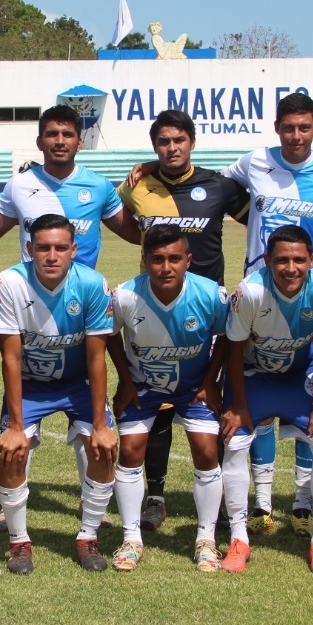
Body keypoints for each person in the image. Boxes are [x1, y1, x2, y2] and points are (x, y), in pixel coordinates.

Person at [221, 93, 313, 537]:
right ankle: (261, 503)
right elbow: (216, 187)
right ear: (277, 127)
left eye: (304, 128)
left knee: (308, 395)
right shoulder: (254, 161)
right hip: (259, 295)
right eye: (288, 128)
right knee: (256, 398)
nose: (295, 136)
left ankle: (301, 500)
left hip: (307, 299)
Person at [115, 109, 248, 532]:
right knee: (157, 406)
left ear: (192, 142)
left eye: (179, 140)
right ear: (154, 147)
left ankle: (221, 501)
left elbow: (260, 213)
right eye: (163, 142)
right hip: (154, 303)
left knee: (209, 401)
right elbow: (119, 220)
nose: (171, 148)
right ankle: (154, 495)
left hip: (206, 309)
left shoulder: (220, 186)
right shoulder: (137, 185)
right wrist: (147, 171)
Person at [0, 214, 117, 574]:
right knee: (13, 452)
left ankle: (88, 536)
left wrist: (100, 423)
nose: (51, 255)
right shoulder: (10, 282)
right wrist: (16, 425)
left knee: (104, 446)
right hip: (30, 385)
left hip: (78, 383)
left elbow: (96, 357)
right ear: (29, 248)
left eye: (61, 248)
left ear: (74, 250)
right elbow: (11, 357)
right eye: (43, 247)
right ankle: (19, 543)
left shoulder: (93, 284)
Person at [222, 225, 313, 574]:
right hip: (254, 378)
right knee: (234, 443)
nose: (290, 268)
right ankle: (238, 538)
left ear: (312, 260)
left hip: (298, 380)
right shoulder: (249, 291)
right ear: (267, 261)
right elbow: (232, 349)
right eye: (282, 260)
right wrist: (239, 405)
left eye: (298, 260)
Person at [108, 225, 228, 572]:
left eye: (175, 258)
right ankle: (131, 539)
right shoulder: (125, 296)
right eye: (157, 259)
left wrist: (210, 381)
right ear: (144, 261)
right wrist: (126, 381)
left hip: (193, 389)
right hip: (143, 388)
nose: (166, 267)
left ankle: (206, 539)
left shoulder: (211, 295)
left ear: (188, 260)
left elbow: (228, 339)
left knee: (206, 448)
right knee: (130, 450)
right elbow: (109, 335)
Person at [0, 104, 139, 269]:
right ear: (39, 142)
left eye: (68, 135)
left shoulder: (99, 186)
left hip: (81, 292)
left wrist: (156, 166)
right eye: (52, 134)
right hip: (32, 292)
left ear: (79, 143)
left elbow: (137, 234)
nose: (60, 141)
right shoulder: (18, 185)